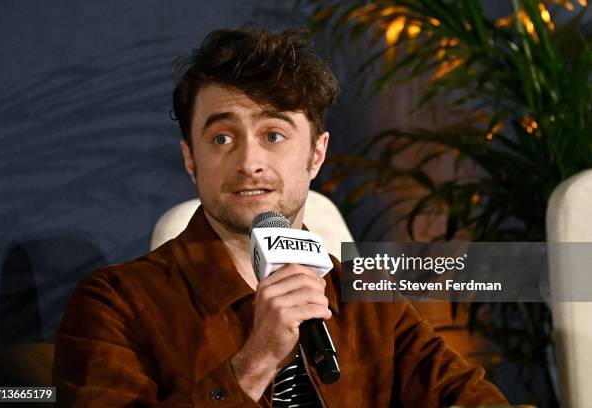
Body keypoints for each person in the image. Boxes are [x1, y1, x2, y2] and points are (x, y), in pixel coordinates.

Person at [53, 27, 508, 407]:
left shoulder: (367, 299)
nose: (249, 161)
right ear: (191, 160)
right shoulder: (115, 303)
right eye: (222, 139)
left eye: (273, 134)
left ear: (316, 153)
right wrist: (253, 363)